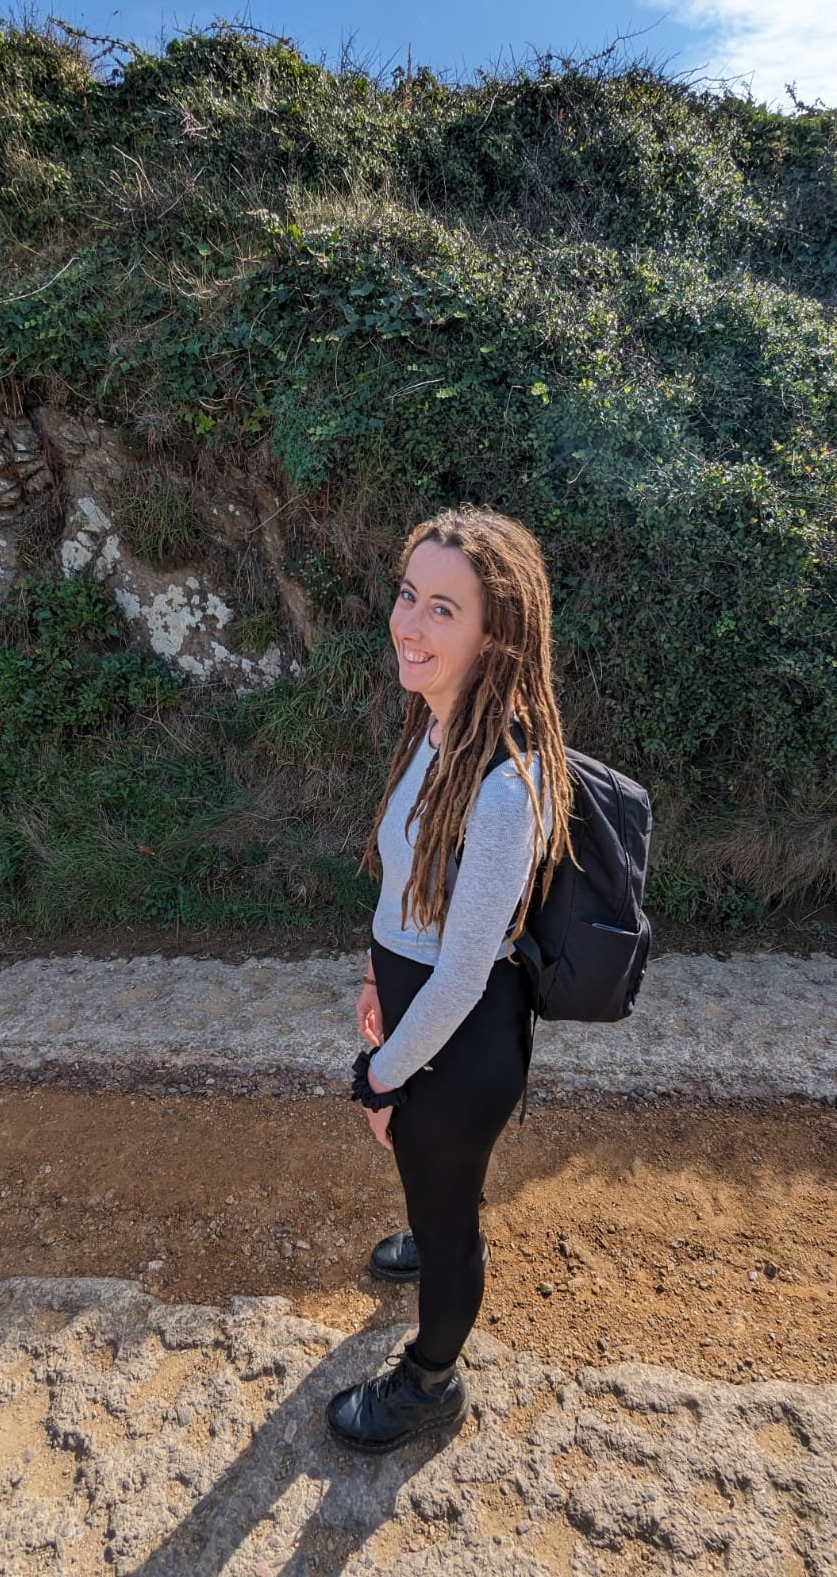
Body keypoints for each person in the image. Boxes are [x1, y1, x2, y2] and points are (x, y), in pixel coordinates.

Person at [325, 503, 576, 1454]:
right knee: (434, 1188)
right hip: (418, 1007)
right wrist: (375, 971)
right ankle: (433, 1239)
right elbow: (410, 880)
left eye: (442, 608)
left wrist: (381, 1077)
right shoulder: (441, 728)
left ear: (494, 634)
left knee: (447, 1207)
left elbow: (467, 970)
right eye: (406, 595)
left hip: (458, 1041)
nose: (408, 623)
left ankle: (432, 1381)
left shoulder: (504, 782)